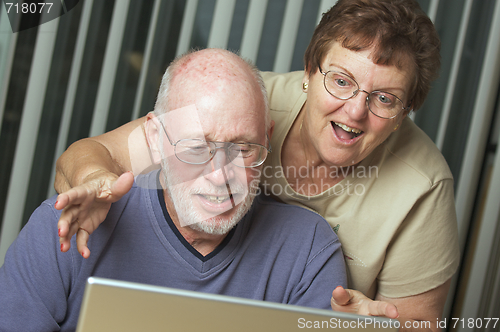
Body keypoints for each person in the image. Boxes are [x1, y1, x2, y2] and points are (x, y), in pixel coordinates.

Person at [54, 0, 460, 330]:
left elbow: (417, 324)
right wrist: (93, 181)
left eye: (385, 99)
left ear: (405, 112)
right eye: (340, 80)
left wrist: (365, 327)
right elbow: (91, 157)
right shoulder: (240, 107)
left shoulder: (423, 185)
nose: (355, 111)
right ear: (309, 71)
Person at [0, 49, 347, 331]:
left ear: (267, 137)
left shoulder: (307, 251)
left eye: (242, 149)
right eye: (196, 148)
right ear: (155, 138)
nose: (220, 176)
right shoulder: (65, 229)